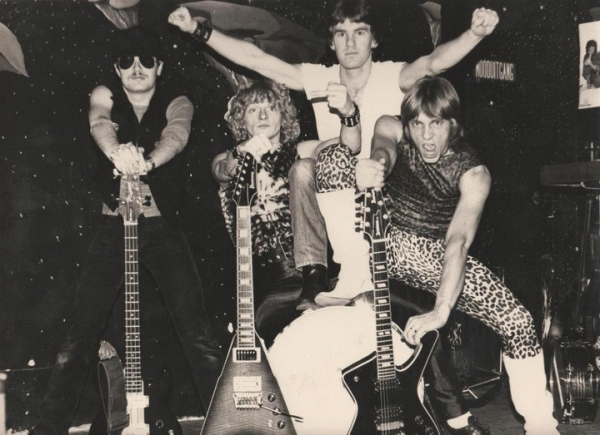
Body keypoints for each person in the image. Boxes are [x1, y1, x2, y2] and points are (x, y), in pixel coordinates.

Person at [168, 0, 499, 309]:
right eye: (341, 34)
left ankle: (358, 270)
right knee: (304, 168)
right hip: (334, 189)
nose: (350, 43)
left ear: (374, 40)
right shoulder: (320, 79)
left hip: (383, 191)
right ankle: (314, 274)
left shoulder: (392, 75)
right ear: (332, 41)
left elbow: (433, 63)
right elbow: (256, 59)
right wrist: (198, 29)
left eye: (359, 33)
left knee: (333, 157)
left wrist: (475, 34)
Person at [314, 75, 559, 435]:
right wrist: (374, 166)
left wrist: (441, 310)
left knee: (519, 323)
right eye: (418, 124)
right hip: (381, 239)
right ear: (407, 123)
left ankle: (541, 426)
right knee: (334, 159)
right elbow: (384, 149)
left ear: (453, 124)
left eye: (437, 124)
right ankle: (347, 274)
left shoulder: (474, 172)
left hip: (436, 254)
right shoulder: (391, 127)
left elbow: (457, 242)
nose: (427, 136)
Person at [30, 26, 223, 435]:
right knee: (78, 337)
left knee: (197, 333)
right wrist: (116, 151)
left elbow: (177, 133)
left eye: (146, 60)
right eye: (126, 61)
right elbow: (99, 121)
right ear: (116, 69)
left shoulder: (178, 99)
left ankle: (230, 425)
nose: (137, 68)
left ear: (160, 67)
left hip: (162, 228)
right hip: (112, 227)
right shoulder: (105, 93)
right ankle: (46, 429)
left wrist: (147, 163)